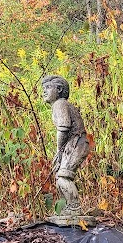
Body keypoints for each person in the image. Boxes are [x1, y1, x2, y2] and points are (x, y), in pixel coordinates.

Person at [41, 75, 89, 216]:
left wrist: (59, 150)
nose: (44, 91)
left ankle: (74, 208)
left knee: (63, 176)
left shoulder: (60, 104)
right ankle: (68, 208)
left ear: (59, 89)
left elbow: (63, 127)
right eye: (43, 88)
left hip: (76, 142)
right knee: (60, 176)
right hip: (74, 143)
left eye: (48, 88)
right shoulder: (60, 105)